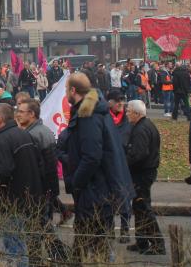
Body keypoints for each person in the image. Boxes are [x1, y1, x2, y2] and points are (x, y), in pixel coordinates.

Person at [57, 72, 133, 263]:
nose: (66, 94)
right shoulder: (96, 111)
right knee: (95, 242)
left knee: (90, 242)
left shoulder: (88, 116)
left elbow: (91, 156)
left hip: (95, 190)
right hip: (100, 188)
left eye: (66, 89)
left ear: (73, 90)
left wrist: (77, 182)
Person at [0, 103, 43, 267]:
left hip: (12, 198)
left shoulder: (3, 139)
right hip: (27, 194)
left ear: (0, 119)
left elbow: (3, 170)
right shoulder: (23, 134)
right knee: (19, 240)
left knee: (13, 243)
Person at [15, 98, 67, 263]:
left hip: (37, 190)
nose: (18, 114)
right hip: (46, 188)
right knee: (42, 225)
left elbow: (36, 167)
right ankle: (58, 256)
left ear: (31, 114)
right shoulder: (42, 130)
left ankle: (44, 258)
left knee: (37, 227)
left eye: (21, 112)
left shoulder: (32, 134)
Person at [124, 100, 165, 255]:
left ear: (136, 113)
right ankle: (141, 241)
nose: (127, 114)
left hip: (142, 173)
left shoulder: (141, 129)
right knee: (139, 207)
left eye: (128, 111)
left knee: (143, 207)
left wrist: (124, 162)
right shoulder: (145, 125)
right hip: (144, 171)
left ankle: (158, 243)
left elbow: (139, 154)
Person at [107, 89, 132, 241]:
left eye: (122, 100)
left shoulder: (127, 121)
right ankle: (109, 229)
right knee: (108, 201)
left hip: (124, 167)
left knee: (124, 200)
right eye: (117, 100)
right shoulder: (105, 119)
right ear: (109, 102)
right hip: (109, 166)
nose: (120, 103)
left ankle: (125, 229)